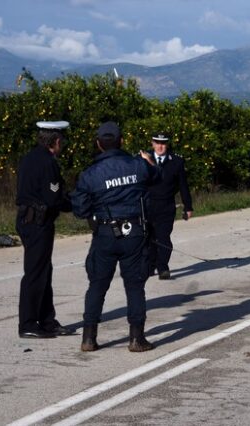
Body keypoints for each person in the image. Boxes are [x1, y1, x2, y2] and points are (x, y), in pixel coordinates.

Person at [71, 122, 158, 352]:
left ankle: (89, 338)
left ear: (99, 145)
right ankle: (136, 338)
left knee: (97, 286)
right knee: (135, 286)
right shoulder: (139, 165)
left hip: (105, 234)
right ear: (121, 141)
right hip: (135, 234)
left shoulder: (90, 174)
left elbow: (80, 209)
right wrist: (150, 163)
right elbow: (156, 179)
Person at [15, 121, 74, 339]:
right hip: (38, 222)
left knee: (43, 271)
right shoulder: (48, 163)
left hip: (28, 219)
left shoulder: (30, 157)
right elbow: (53, 198)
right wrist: (77, 204)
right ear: (56, 141)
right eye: (62, 141)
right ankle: (28, 323)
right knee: (35, 273)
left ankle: (47, 320)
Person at [144, 133, 193, 280]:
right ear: (152, 143)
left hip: (166, 205)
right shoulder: (142, 159)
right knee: (148, 237)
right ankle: (150, 265)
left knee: (163, 237)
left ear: (167, 144)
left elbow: (183, 186)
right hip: (147, 204)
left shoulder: (176, 161)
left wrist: (188, 207)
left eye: (163, 143)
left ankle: (163, 267)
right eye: (157, 143)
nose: (160, 146)